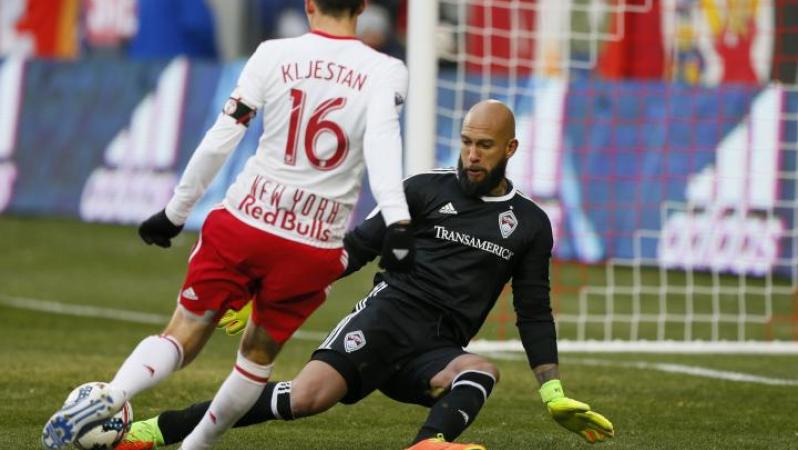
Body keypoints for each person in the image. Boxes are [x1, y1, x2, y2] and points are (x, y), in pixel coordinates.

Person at [117, 100, 614, 450]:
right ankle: (154, 431)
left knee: (481, 371)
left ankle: (429, 444)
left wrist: (552, 390)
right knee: (304, 399)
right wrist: (267, 295)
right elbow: (353, 250)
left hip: (437, 348)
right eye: (466, 142)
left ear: (511, 148)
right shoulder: (421, 191)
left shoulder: (529, 223)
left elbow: (533, 309)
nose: (472, 154)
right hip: (383, 321)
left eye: (485, 145)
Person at [41, 1, 416, 448]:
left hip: (246, 221)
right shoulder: (386, 69)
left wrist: (175, 212)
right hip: (312, 242)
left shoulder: (272, 53)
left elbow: (224, 135)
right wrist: (397, 220)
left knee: (182, 333)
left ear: (308, 4)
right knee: (256, 359)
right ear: (362, 6)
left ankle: (116, 392)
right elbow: (381, 141)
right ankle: (195, 445)